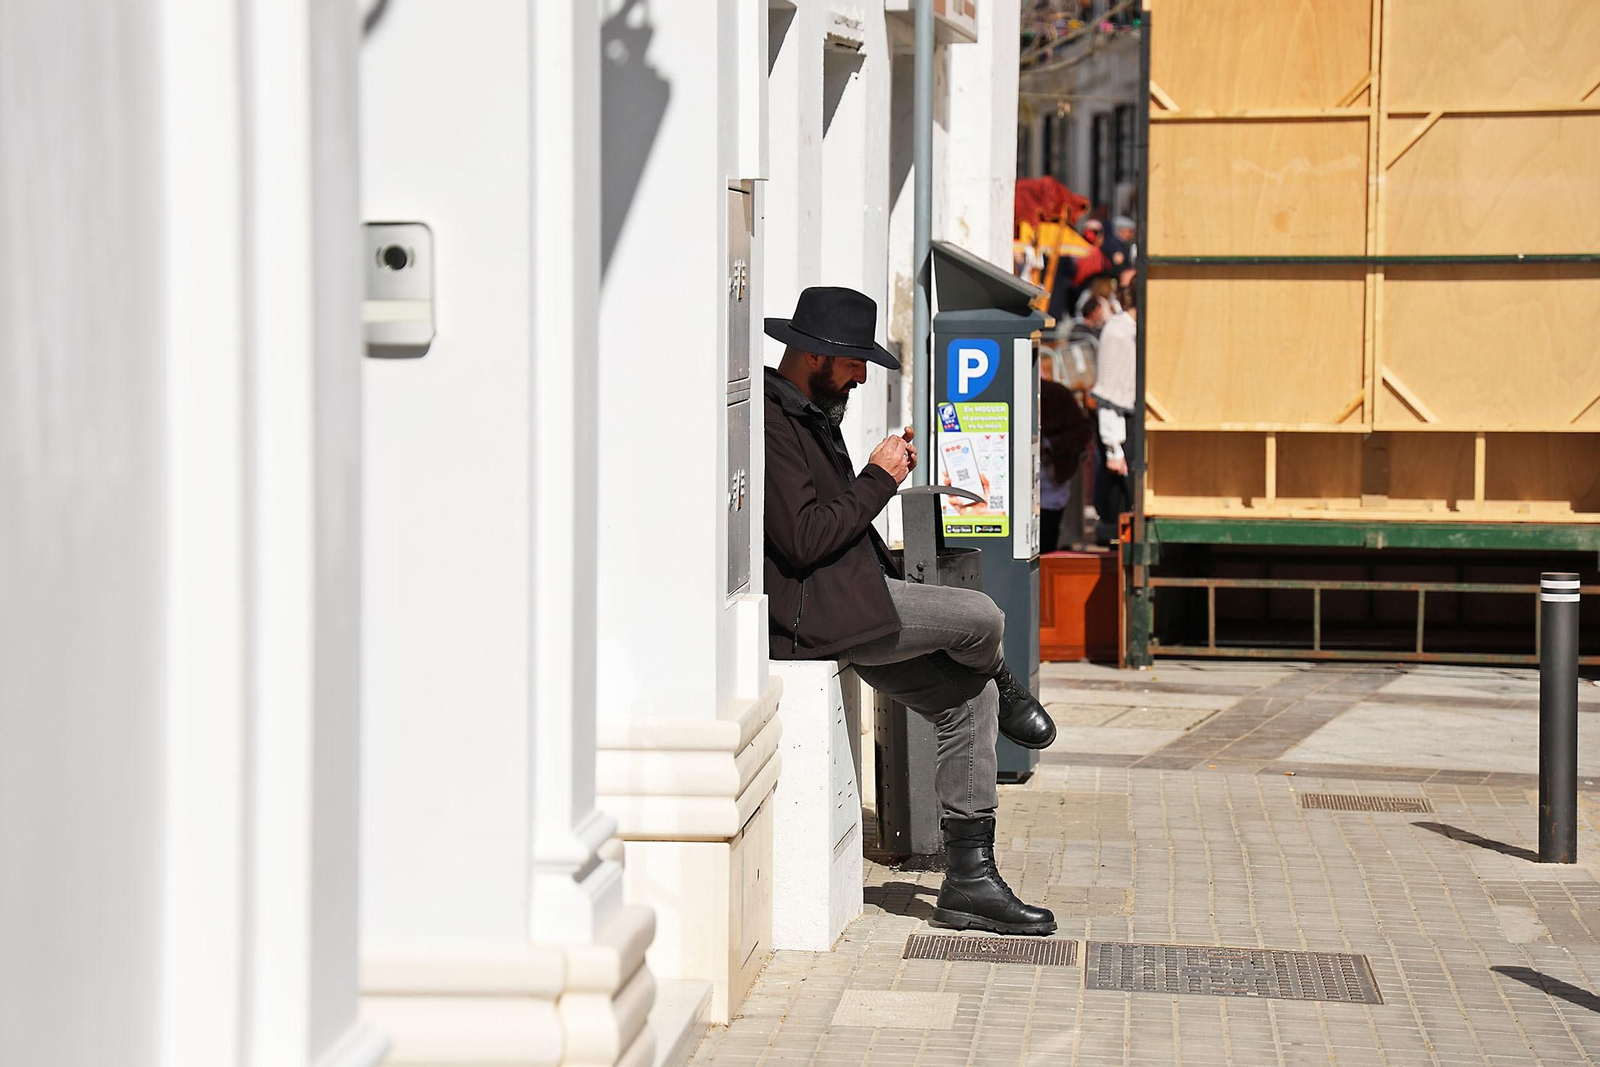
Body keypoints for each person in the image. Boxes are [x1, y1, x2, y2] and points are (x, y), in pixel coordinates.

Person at [764, 286, 1057, 936]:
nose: (863, 376)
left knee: (969, 701)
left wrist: (876, 474)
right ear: (815, 355)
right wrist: (879, 478)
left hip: (854, 598)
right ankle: (1009, 684)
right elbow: (804, 538)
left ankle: (969, 882)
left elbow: (833, 519)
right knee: (983, 618)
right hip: (826, 613)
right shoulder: (772, 420)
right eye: (854, 362)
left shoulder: (811, 411)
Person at [1089, 293, 1137, 545]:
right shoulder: (1118, 332)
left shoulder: (1130, 329)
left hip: (1131, 429)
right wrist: (1113, 449)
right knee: (1119, 511)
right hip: (1122, 434)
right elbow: (1109, 392)